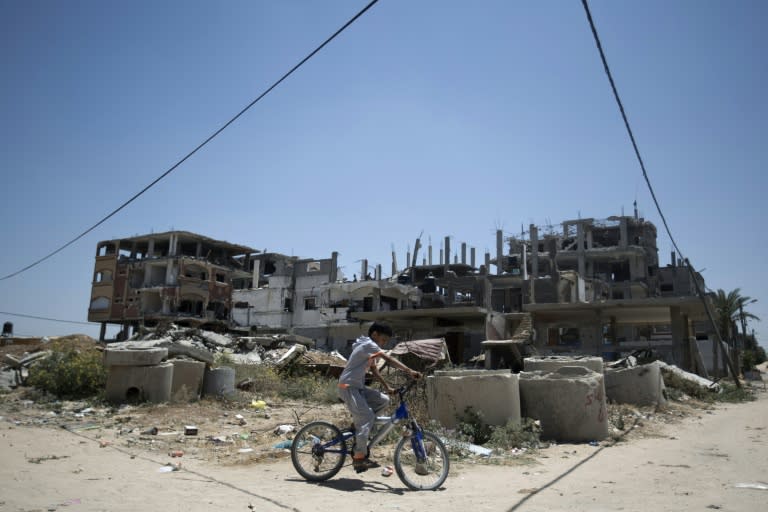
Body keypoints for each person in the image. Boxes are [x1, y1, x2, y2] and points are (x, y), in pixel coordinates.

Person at [338, 322, 421, 473]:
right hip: (348, 387)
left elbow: (374, 370)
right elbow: (387, 359)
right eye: (383, 340)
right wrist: (409, 370)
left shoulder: (369, 349)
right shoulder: (368, 345)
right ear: (374, 334)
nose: (383, 343)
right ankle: (358, 458)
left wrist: (387, 387)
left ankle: (359, 426)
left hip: (358, 388)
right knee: (367, 417)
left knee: (384, 400)